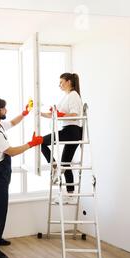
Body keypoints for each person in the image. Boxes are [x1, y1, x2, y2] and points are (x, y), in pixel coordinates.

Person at [0, 98, 43, 258]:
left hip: (0, 173)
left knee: (1, 208)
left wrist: (25, 113)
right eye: (4, 109)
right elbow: (11, 151)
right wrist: (31, 144)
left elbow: (13, 123)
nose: (6, 111)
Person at [40, 73, 84, 203]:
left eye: (61, 82)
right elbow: (54, 114)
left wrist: (61, 114)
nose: (59, 85)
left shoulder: (74, 96)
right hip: (70, 131)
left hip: (72, 131)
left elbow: (75, 115)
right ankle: (71, 195)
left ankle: (54, 167)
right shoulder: (66, 97)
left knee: (41, 141)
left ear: (69, 82)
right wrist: (38, 113)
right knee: (65, 163)